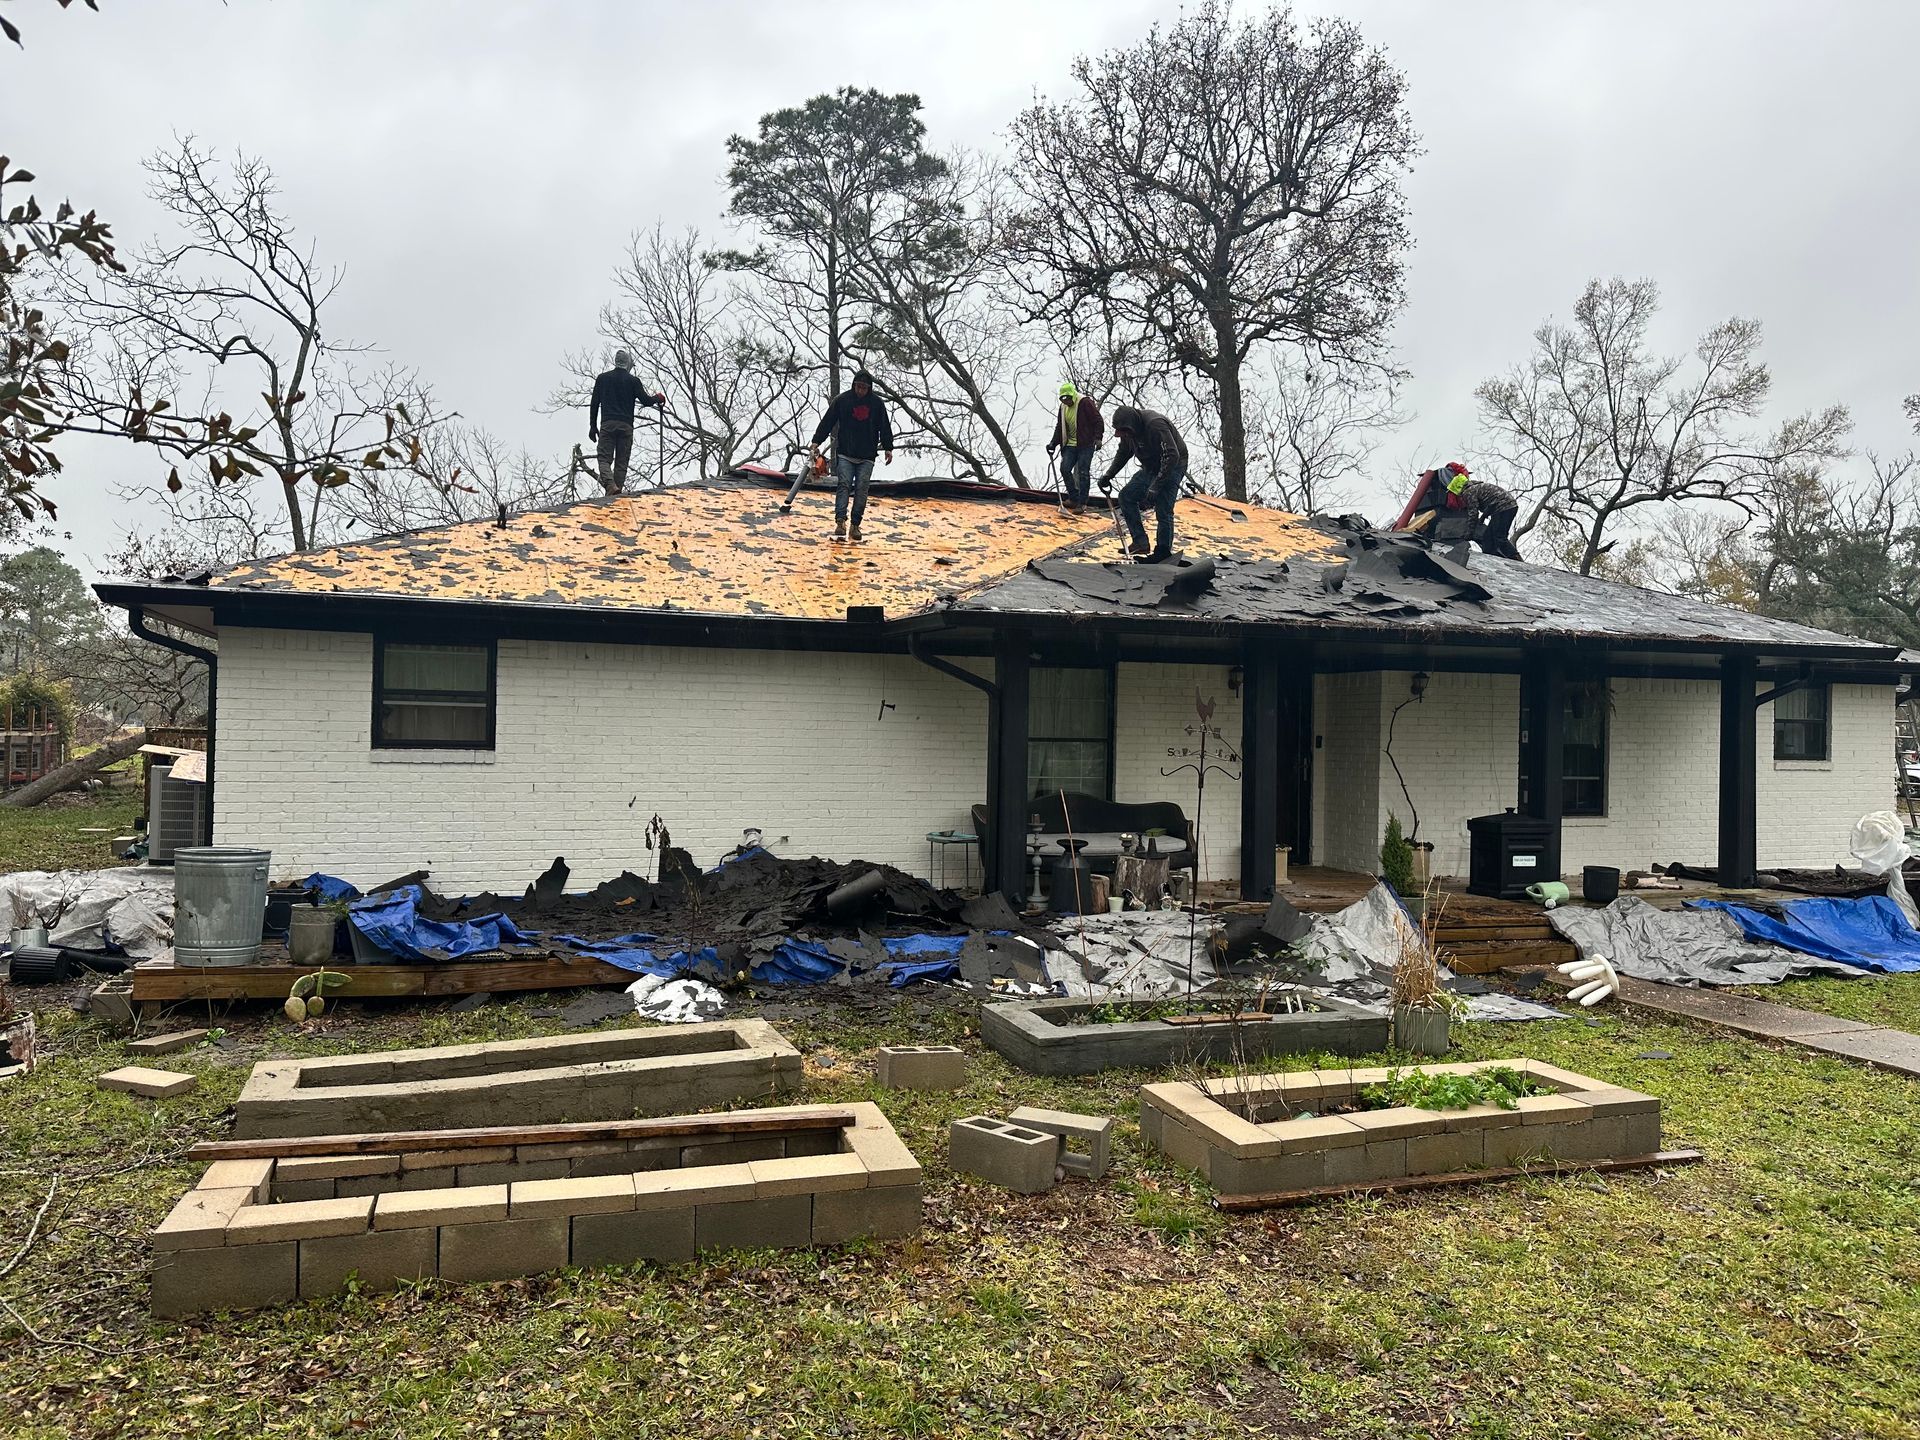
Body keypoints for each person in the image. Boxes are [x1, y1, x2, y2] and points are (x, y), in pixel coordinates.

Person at [809, 370, 894, 542]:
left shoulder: (877, 404)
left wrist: (888, 447)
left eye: (864, 388)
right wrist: (816, 441)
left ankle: (856, 524)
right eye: (858, 387)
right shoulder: (843, 400)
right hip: (846, 452)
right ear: (854, 385)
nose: (860, 390)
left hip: (867, 455)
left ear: (869, 389)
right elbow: (828, 421)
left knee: (862, 488)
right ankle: (840, 521)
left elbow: (884, 426)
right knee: (844, 485)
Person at [1098, 405, 1188, 562]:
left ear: (1132, 426)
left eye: (1125, 432)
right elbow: (1123, 453)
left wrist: (1156, 487)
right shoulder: (1128, 434)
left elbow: (1172, 455)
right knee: (1126, 496)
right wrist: (1109, 475)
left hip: (1174, 465)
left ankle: (1163, 551)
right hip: (1151, 466)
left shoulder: (1155, 425)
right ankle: (1140, 541)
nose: (1123, 436)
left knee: (1164, 508)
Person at [587, 351, 666, 495]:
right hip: (626, 426)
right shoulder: (633, 381)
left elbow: (594, 403)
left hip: (608, 424)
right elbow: (646, 401)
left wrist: (593, 426)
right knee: (621, 463)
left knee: (604, 459)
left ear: (615, 361)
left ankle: (611, 487)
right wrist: (658, 397)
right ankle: (616, 490)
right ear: (627, 363)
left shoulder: (603, 379)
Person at [1420, 461, 1522, 560]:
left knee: (1498, 536)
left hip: (1504, 508)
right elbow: (1490, 504)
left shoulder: (1468, 492)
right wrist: (1482, 518)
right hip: (1506, 506)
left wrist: (1469, 533)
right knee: (1487, 538)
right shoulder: (1475, 487)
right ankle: (1492, 557)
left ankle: (1515, 558)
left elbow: (1473, 513)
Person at [1045, 381, 1105, 514]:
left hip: (1085, 444)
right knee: (1065, 469)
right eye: (1063, 399)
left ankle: (1082, 503)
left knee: (1083, 472)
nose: (1066, 402)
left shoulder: (1084, 402)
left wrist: (1098, 438)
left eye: (1068, 399)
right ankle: (1073, 498)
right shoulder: (1063, 407)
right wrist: (1053, 443)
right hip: (1070, 444)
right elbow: (1060, 427)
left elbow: (1098, 420)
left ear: (1072, 395)